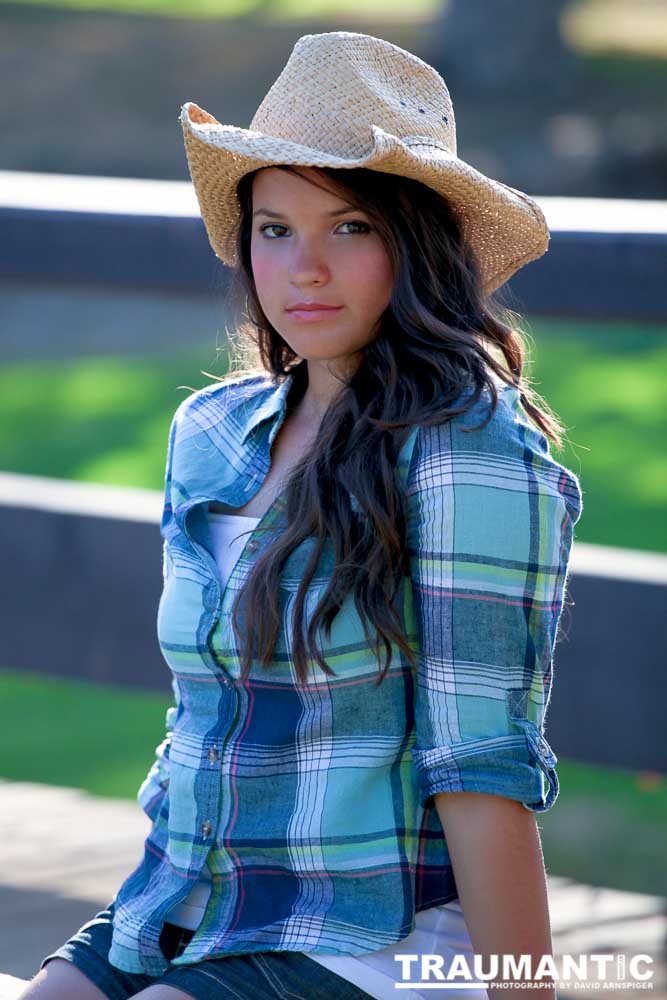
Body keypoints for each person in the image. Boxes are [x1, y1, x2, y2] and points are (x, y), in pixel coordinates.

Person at [21, 30, 583, 1000]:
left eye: (350, 226)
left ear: (417, 245)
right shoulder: (213, 431)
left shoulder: (470, 456)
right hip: (190, 899)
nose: (303, 268)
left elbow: (481, 769)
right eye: (275, 228)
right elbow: (205, 713)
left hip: (373, 932)